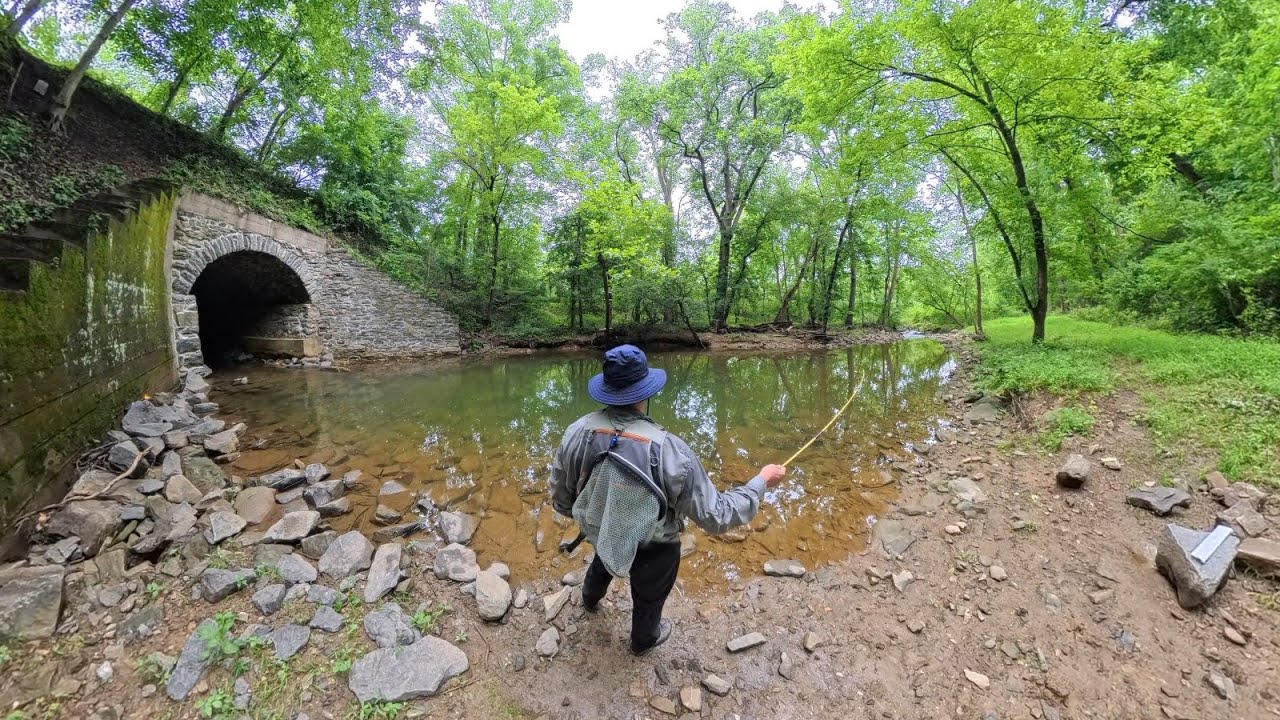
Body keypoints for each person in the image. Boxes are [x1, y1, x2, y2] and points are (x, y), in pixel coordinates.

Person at [551, 344, 786, 656]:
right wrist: (761, 481)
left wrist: (594, 517)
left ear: (606, 391)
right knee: (649, 596)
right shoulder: (671, 451)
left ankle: (590, 599)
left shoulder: (577, 431)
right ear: (644, 393)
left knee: (605, 554)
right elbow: (717, 516)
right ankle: (642, 641)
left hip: (602, 524)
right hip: (656, 545)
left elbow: (561, 498)